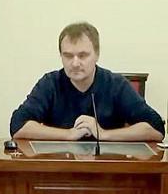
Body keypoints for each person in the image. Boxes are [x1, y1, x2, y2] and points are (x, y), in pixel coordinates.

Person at [10, 22, 164, 141]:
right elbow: (18, 126)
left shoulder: (116, 84)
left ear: (97, 55)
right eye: (68, 56)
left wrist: (103, 134)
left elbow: (156, 128)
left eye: (83, 55)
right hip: (60, 166)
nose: (75, 63)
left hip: (108, 166)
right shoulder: (50, 83)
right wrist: (68, 134)